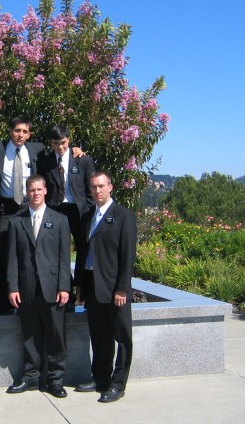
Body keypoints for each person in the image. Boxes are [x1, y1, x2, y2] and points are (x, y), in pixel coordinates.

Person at [74, 170, 137, 403]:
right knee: (99, 336)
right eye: (93, 187)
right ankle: (100, 378)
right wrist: (79, 284)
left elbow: (128, 255)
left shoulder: (123, 216)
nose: (97, 190)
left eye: (101, 186)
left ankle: (118, 384)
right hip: (91, 285)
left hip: (114, 289)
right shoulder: (88, 216)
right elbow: (83, 253)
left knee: (121, 338)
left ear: (111, 187)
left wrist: (122, 288)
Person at [6, 174, 71, 398]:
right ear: (27, 192)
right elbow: (12, 258)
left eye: (38, 189)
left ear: (45, 191)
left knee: (56, 335)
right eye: (31, 190)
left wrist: (64, 286)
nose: (35, 193)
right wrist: (12, 287)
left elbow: (65, 257)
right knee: (30, 335)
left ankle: (55, 379)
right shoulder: (16, 221)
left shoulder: (60, 220)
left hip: (53, 287)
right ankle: (31, 376)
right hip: (27, 288)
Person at [0, 116, 46, 313]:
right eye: (17, 130)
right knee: (3, 253)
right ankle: (2, 299)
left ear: (29, 134)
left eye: (25, 132)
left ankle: (27, 296)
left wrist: (78, 151)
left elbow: (60, 150)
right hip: (6, 208)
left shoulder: (37, 149)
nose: (20, 135)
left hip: (28, 207)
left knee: (28, 251)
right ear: (10, 131)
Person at [39, 124, 95, 248]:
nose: (60, 147)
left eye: (63, 142)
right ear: (51, 143)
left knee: (83, 248)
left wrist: (89, 211)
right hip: (55, 210)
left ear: (68, 139)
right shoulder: (45, 163)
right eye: (56, 143)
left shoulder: (83, 160)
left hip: (78, 210)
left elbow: (91, 190)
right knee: (54, 248)